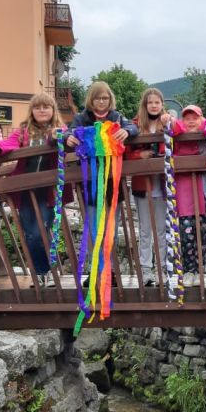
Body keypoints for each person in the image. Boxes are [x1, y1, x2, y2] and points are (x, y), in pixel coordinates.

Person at [0, 92, 68, 287]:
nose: (42, 110)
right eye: (37, 107)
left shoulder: (60, 129)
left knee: (40, 232)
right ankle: (43, 271)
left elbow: (65, 141)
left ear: (53, 110)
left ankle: (44, 272)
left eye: (46, 107)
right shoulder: (24, 130)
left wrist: (56, 138)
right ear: (32, 111)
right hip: (25, 190)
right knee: (30, 235)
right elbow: (9, 144)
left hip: (48, 192)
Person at [66, 82, 138, 286]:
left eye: (105, 98)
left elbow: (133, 127)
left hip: (112, 180)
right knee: (94, 228)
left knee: (110, 229)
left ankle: (109, 270)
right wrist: (69, 137)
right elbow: (68, 132)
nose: (101, 102)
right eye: (98, 98)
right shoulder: (81, 118)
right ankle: (96, 271)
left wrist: (127, 132)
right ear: (91, 99)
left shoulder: (117, 117)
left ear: (110, 99)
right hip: (90, 181)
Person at [166, 104, 206, 287]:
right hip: (185, 194)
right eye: (187, 118)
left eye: (195, 118)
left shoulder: (205, 134)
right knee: (186, 235)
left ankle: (200, 271)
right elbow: (173, 126)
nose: (191, 121)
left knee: (202, 234)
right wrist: (171, 120)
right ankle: (189, 270)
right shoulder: (178, 135)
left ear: (202, 119)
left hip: (203, 193)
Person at [126, 88, 167, 286]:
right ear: (145, 105)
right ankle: (145, 270)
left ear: (162, 104)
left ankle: (162, 269)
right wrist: (139, 155)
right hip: (143, 184)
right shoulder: (134, 125)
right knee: (145, 229)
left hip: (162, 184)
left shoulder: (167, 123)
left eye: (157, 102)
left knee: (161, 229)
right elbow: (125, 152)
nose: (153, 105)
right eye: (150, 102)